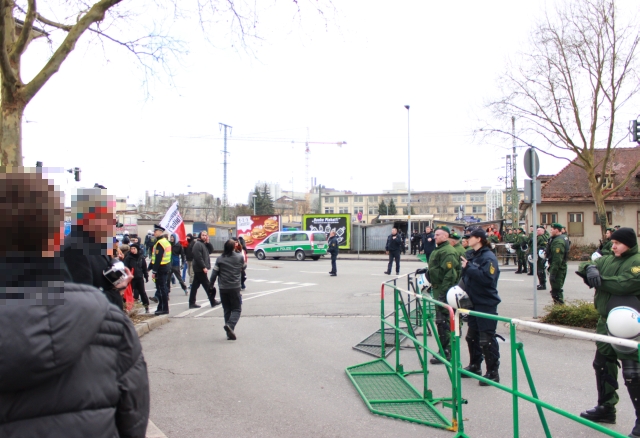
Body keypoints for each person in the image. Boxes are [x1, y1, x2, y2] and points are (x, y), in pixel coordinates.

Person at [0, 171, 149, 438]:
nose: (114, 224)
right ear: (57, 237)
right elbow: (134, 417)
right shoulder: (110, 327)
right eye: (110, 217)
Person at [577, 227, 640, 437]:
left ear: (628, 243)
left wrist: (599, 279)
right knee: (602, 364)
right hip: (605, 322)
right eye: (612, 242)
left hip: (627, 323)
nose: (613, 246)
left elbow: (625, 285)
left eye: (617, 243)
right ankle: (606, 408)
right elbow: (587, 264)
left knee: (632, 373)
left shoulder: (636, 262)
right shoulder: (608, 259)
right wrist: (589, 269)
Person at [64, 187, 132, 309]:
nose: (112, 221)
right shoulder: (74, 249)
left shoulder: (95, 243)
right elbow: (82, 303)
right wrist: (117, 291)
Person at [460, 228, 502, 385]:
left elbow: (487, 279)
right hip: (472, 302)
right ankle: (475, 365)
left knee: (487, 339)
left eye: (470, 237)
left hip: (485, 302)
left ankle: (492, 372)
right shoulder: (473, 255)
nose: (467, 240)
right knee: (472, 337)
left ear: (478, 239)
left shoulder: (488, 257)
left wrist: (468, 268)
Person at [428, 226, 460, 364]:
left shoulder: (447, 251)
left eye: (438, 234)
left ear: (445, 236)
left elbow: (450, 275)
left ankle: (446, 351)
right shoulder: (440, 249)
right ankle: (443, 348)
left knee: (444, 321)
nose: (435, 236)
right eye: (435, 234)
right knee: (440, 321)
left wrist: (443, 294)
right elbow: (438, 268)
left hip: (443, 290)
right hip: (438, 289)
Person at [210, 240, 248, 340]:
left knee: (227, 310)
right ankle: (230, 326)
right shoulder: (239, 257)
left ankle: (229, 333)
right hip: (234, 287)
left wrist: (210, 285)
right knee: (237, 309)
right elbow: (244, 266)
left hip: (223, 288)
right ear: (233, 248)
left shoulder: (220, 259)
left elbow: (214, 273)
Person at [190, 231, 219, 308]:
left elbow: (210, 251)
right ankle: (212, 301)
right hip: (199, 269)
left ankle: (191, 302)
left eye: (206, 235)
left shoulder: (204, 244)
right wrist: (203, 267)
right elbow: (198, 257)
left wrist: (208, 242)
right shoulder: (197, 244)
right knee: (207, 285)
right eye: (203, 235)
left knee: (195, 286)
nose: (204, 236)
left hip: (201, 269)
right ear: (200, 236)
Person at [150, 225, 172, 315]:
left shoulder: (160, 243)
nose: (154, 232)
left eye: (156, 231)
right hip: (165, 267)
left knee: (162, 289)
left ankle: (164, 308)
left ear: (160, 232)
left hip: (161, 268)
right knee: (162, 288)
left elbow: (158, 258)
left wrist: (154, 271)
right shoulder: (165, 241)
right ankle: (161, 307)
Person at [546, 222, 570, 305]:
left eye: (552, 230)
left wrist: (553, 273)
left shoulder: (558, 242)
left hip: (558, 269)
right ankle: (558, 309)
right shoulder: (559, 238)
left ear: (556, 230)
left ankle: (560, 310)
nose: (550, 231)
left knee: (556, 291)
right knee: (556, 290)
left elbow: (557, 259)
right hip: (558, 267)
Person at [124, 242, 150, 313]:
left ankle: (146, 307)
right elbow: (125, 267)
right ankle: (126, 308)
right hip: (131, 279)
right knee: (128, 293)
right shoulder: (128, 258)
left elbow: (144, 268)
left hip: (139, 278)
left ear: (137, 249)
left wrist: (146, 276)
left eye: (134, 248)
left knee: (142, 293)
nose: (133, 250)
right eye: (131, 249)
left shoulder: (141, 258)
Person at [534, 226, 549, 290]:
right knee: (538, 270)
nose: (537, 231)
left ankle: (543, 284)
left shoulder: (542, 238)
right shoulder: (538, 237)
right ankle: (541, 283)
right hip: (538, 255)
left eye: (539, 230)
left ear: (543, 231)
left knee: (540, 270)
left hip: (541, 256)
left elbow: (543, 246)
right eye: (537, 230)